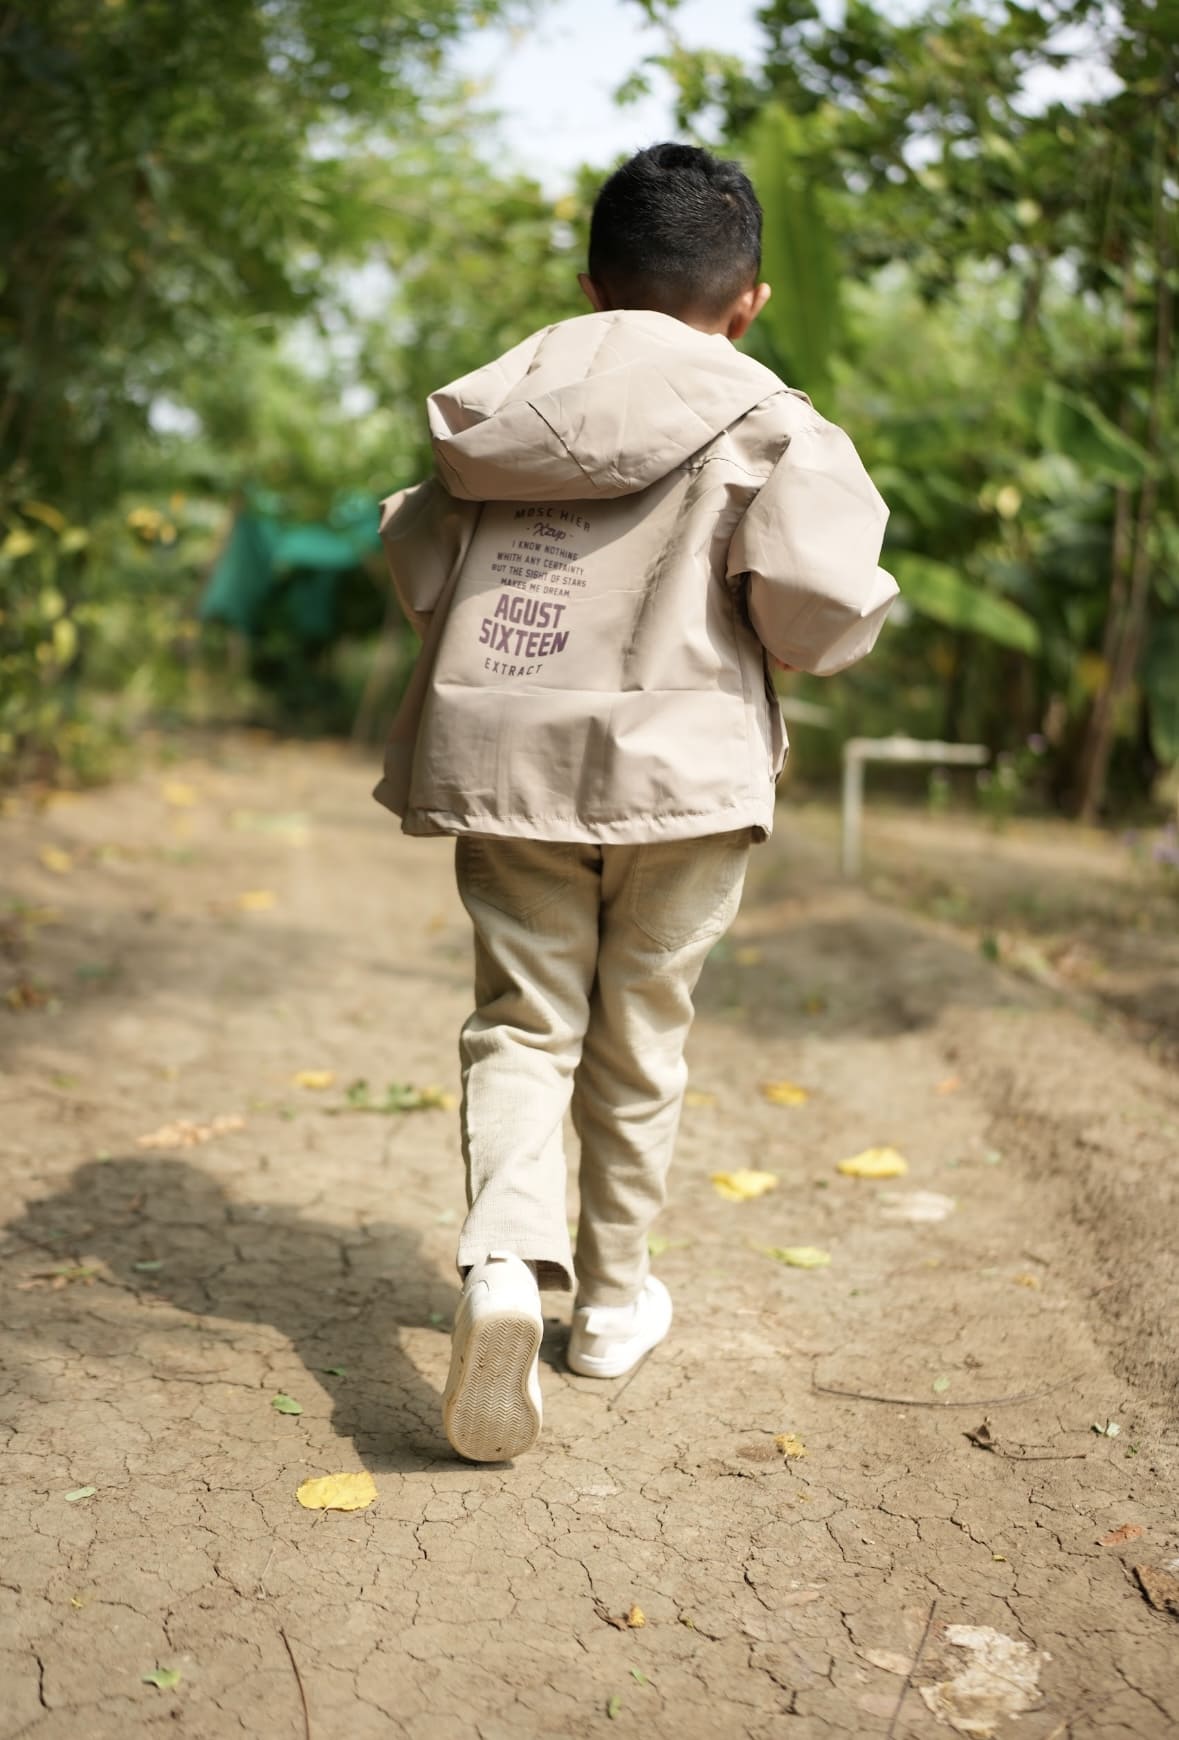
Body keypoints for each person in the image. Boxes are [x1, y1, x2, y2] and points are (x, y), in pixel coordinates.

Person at [375, 143, 897, 1462]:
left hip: (508, 767)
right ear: (749, 299)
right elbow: (818, 613)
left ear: (595, 279)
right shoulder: (772, 417)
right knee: (642, 1036)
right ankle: (610, 1306)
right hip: (686, 782)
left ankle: (503, 1265)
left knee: (523, 1026)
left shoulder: (504, 407)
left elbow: (420, 567)